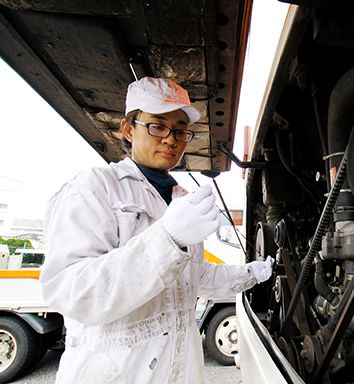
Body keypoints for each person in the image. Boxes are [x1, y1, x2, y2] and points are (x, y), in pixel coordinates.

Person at [40, 77, 274, 383]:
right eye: (157, 126)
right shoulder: (94, 188)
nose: (170, 138)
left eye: (179, 130)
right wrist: (168, 239)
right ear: (127, 128)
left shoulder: (180, 198)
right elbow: (73, 292)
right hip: (116, 374)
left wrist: (251, 274)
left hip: (180, 371)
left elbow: (196, 277)